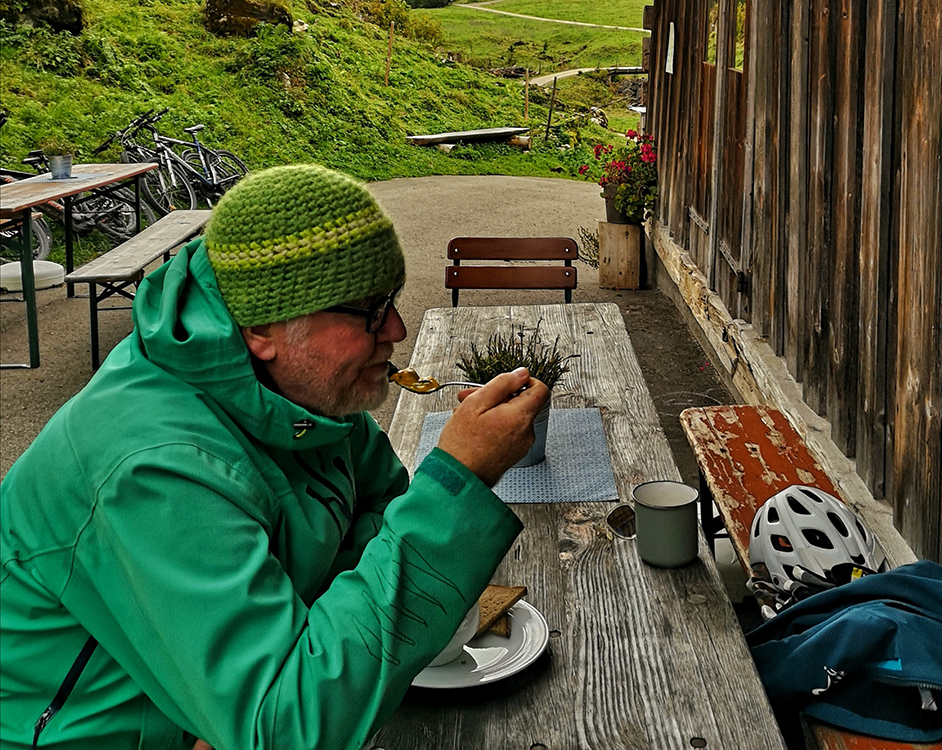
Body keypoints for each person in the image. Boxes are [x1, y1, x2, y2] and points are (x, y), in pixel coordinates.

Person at [0, 164, 548, 749]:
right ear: (264, 326)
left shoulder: (304, 396)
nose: (396, 327)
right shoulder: (154, 469)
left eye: (391, 300)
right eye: (367, 308)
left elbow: (378, 522)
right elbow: (282, 730)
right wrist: (460, 478)